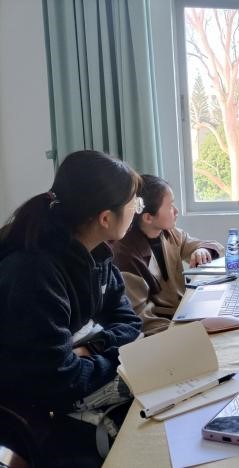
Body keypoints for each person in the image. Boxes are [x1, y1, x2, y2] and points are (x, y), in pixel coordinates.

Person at [0, 150, 143, 466]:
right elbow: (60, 378)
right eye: (135, 204)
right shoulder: (33, 272)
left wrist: (91, 347)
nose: (137, 211)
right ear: (105, 218)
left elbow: (130, 325)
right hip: (41, 420)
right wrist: (124, 357)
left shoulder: (98, 256)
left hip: (79, 391)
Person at [112, 175, 224, 336]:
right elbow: (143, 319)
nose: (176, 211)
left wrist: (202, 250)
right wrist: (188, 332)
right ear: (148, 217)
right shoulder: (126, 256)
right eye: (170, 206)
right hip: (162, 330)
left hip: (183, 314)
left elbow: (214, 246)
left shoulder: (169, 233)